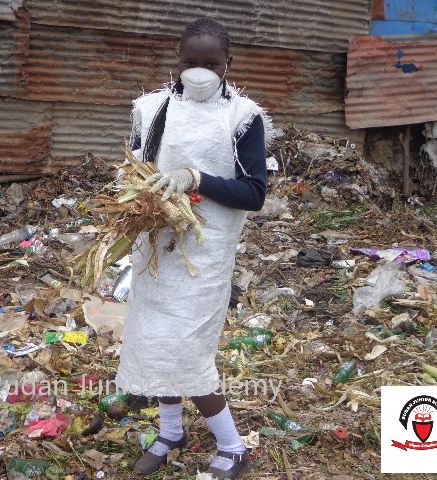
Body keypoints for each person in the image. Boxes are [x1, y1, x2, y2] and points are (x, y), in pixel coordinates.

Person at [114, 17, 274, 480]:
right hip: (158, 245)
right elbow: (135, 170)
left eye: (211, 62)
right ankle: (170, 432)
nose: (199, 71)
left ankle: (233, 447)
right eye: (190, 61)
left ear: (228, 64)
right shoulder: (152, 109)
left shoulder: (242, 117)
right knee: (152, 343)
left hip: (205, 252)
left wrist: (196, 179)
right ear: (177, 61)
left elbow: (254, 194)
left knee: (187, 351)